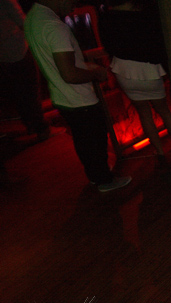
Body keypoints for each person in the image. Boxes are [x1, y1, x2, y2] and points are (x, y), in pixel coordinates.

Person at [25, 0, 131, 192]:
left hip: (62, 96)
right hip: (79, 98)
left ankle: (96, 177)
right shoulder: (54, 27)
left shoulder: (33, 17)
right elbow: (70, 74)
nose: (75, 4)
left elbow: (60, 65)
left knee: (83, 142)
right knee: (95, 141)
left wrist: (86, 66)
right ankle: (105, 180)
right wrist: (96, 73)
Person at [98, 0, 171, 161]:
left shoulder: (106, 17)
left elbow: (108, 47)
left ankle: (160, 152)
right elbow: (158, 45)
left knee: (144, 113)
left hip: (123, 70)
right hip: (148, 70)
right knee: (164, 111)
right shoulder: (146, 16)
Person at [0, 0, 49, 142]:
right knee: (30, 91)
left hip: (3, 54)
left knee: (17, 93)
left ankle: (31, 125)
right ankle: (41, 128)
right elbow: (23, 23)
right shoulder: (7, 1)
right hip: (18, 49)